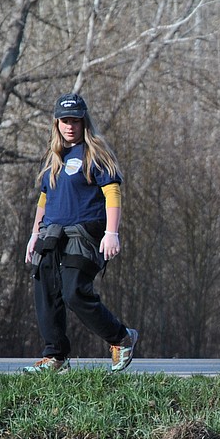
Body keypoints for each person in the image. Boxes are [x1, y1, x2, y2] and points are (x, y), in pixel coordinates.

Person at [24, 93, 138, 373]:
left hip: (85, 233)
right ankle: (55, 357)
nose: (70, 126)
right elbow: (44, 198)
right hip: (51, 232)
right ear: (57, 123)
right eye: (64, 120)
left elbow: (112, 191)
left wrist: (112, 232)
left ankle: (121, 338)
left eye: (75, 120)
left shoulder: (95, 153)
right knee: (46, 292)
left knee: (74, 291)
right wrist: (34, 234)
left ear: (84, 121)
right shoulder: (52, 157)